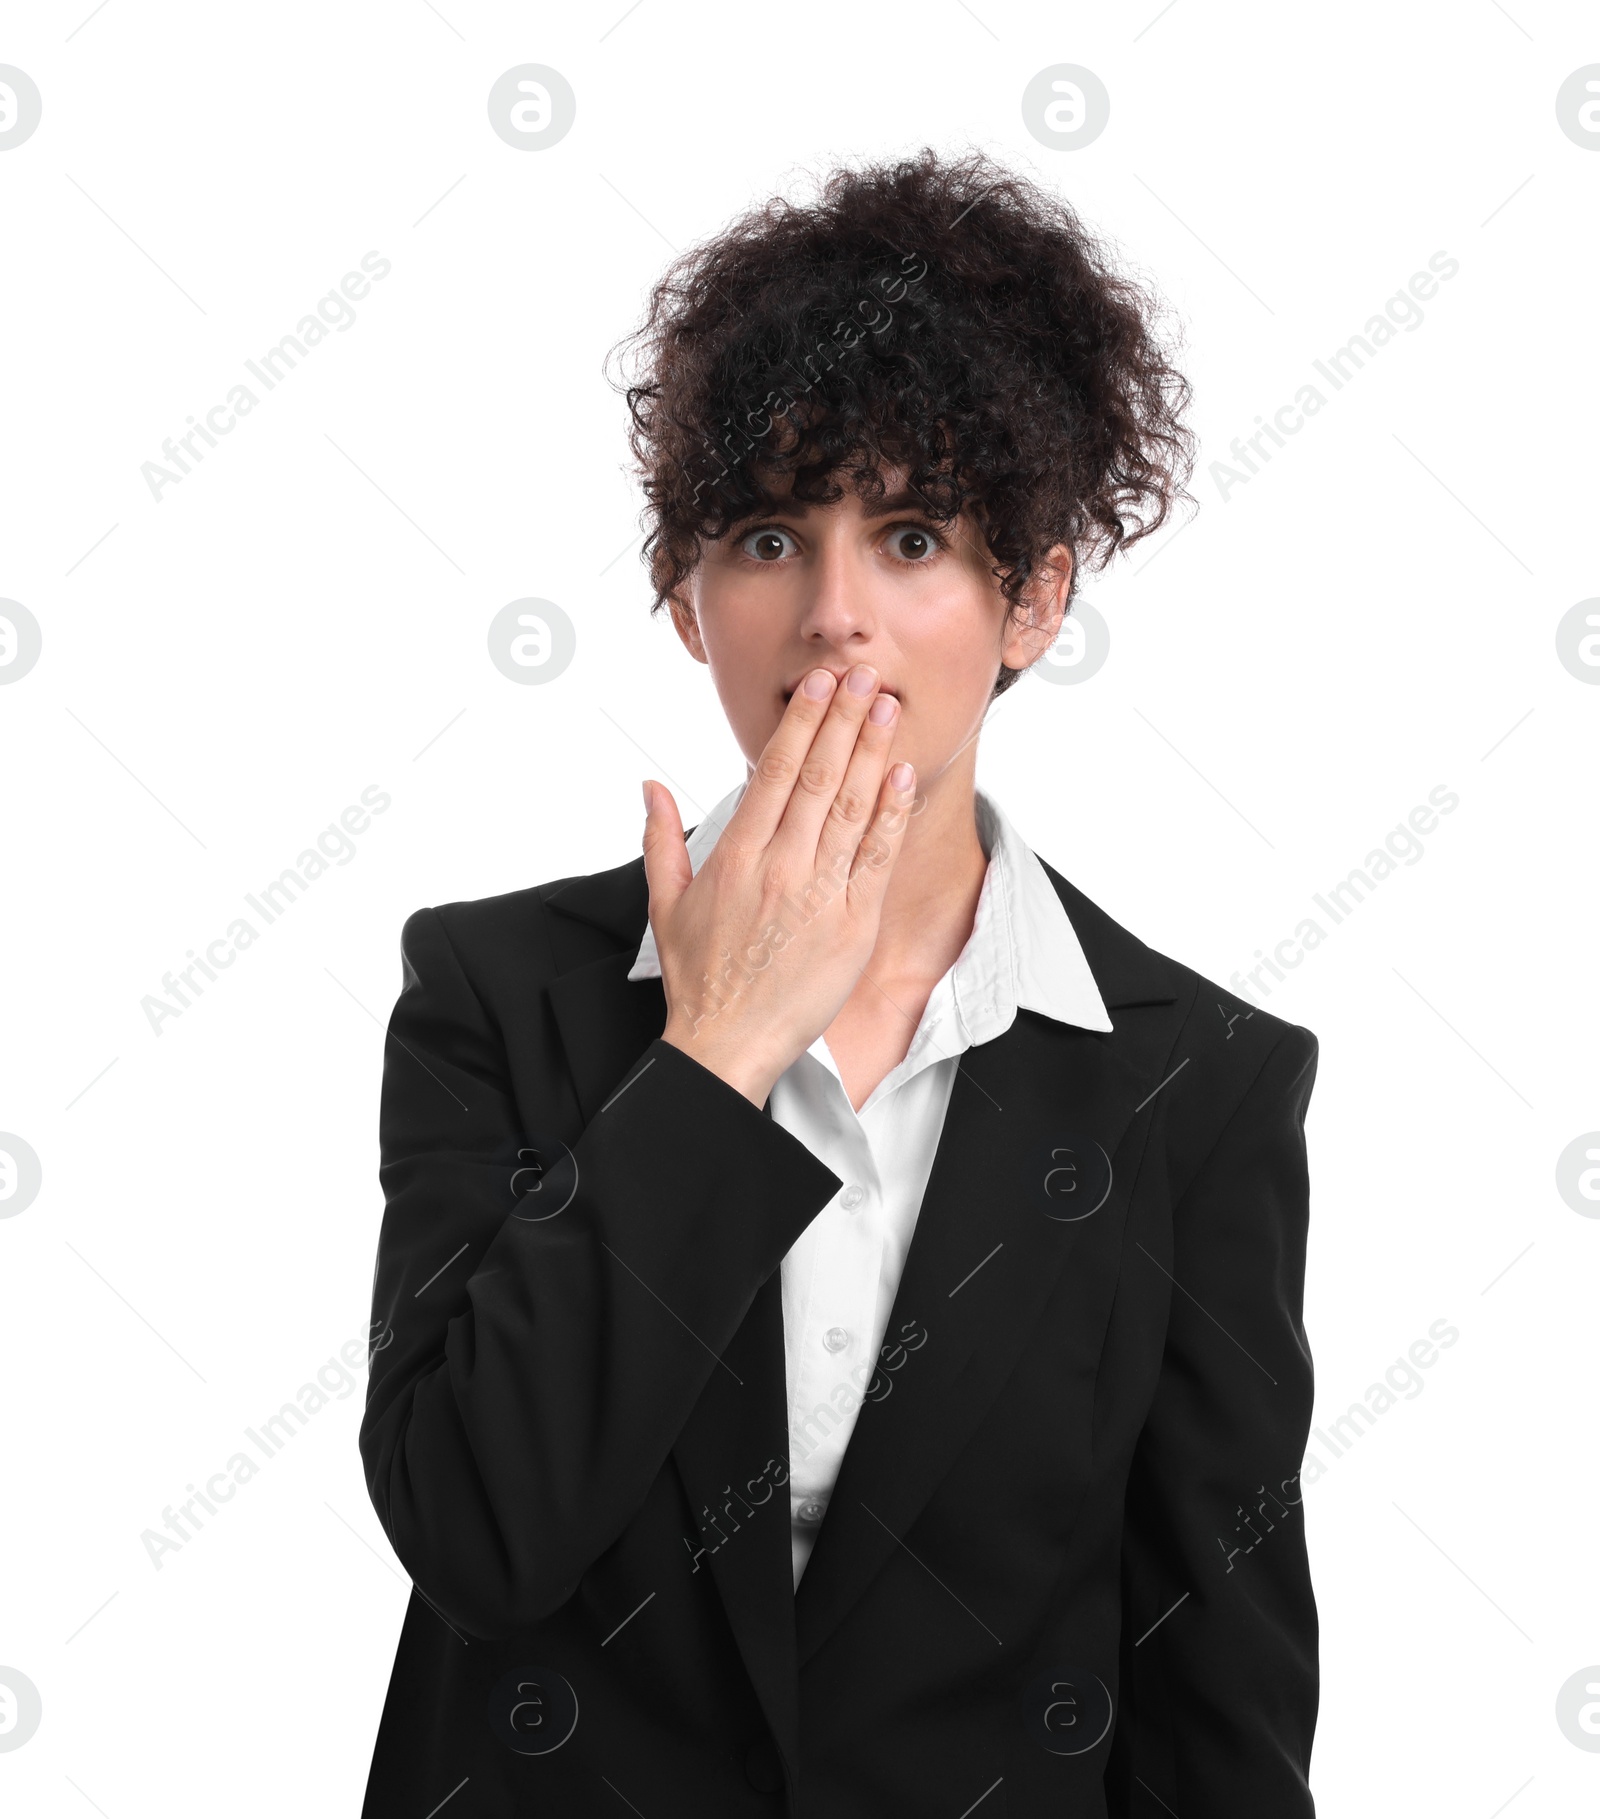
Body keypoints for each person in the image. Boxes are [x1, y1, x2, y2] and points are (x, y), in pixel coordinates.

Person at [358, 147, 1320, 1817]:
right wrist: (717, 1051)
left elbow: (1216, 1695)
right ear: (685, 602)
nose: (832, 617)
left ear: (1031, 599)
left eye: (913, 535)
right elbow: (476, 1529)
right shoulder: (496, 993)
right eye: (762, 537)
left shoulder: (1197, 1081)